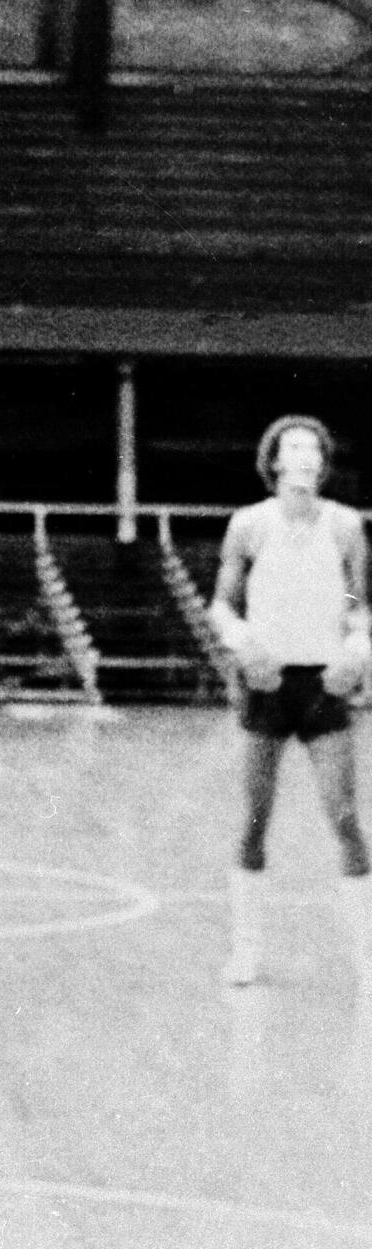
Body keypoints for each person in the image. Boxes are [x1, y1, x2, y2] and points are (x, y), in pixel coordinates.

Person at [209, 414, 372, 986]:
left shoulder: (347, 526)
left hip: (323, 685)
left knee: (345, 817)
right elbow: (222, 607)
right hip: (267, 683)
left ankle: (367, 958)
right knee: (253, 820)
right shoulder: (249, 525)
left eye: (313, 450)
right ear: (275, 460)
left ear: (323, 465)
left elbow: (358, 604)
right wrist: (245, 644)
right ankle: (246, 953)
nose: (303, 457)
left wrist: (357, 647)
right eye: (292, 448)